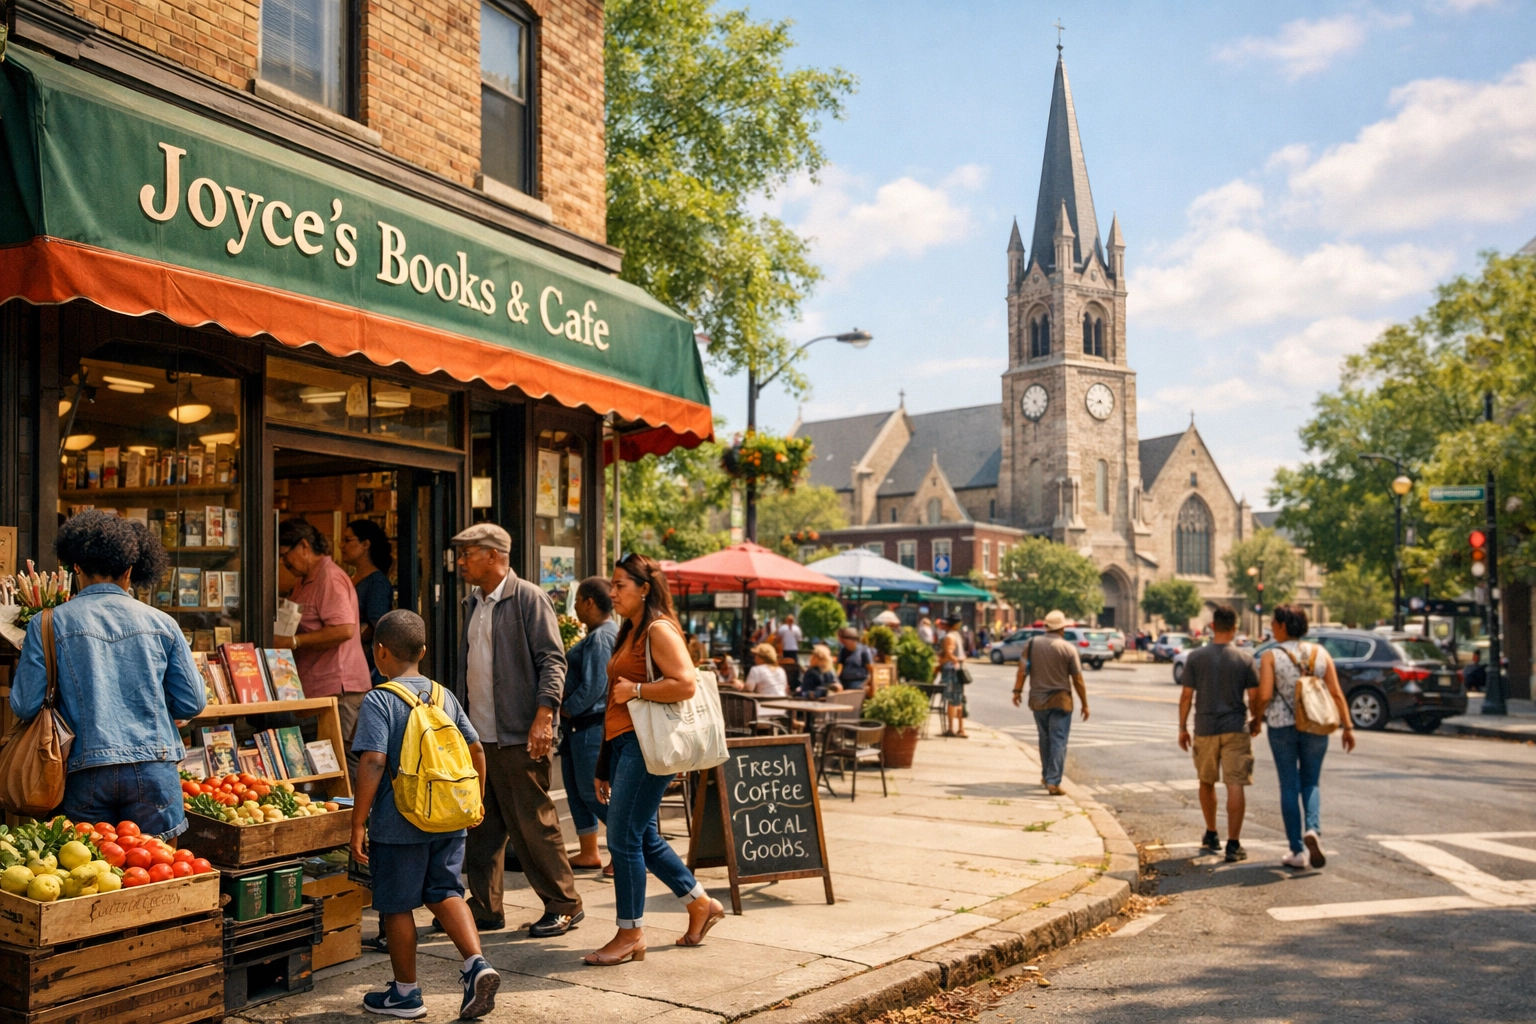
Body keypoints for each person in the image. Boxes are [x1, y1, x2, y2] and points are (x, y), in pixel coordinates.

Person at [12, 512, 204, 839]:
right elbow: (192, 702)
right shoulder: (163, 623)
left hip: (82, 771)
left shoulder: (46, 624)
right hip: (153, 767)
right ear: (130, 570)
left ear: (76, 567)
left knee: (91, 872)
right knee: (155, 873)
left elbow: (26, 705)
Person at [350, 610, 499, 1020]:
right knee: (446, 891)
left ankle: (406, 994)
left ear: (379, 652)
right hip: (450, 816)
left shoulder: (380, 699)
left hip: (400, 823)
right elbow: (477, 749)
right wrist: (476, 802)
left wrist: (358, 821)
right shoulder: (443, 694)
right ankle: (476, 964)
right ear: (423, 651)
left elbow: (374, 761)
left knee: (397, 906)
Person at [587, 553, 724, 966]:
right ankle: (700, 903)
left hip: (647, 749)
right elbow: (615, 698)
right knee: (643, 838)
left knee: (622, 839)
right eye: (611, 586)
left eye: (620, 585)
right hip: (626, 745)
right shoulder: (628, 631)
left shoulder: (659, 629)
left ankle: (630, 932)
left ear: (644, 589)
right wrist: (602, 764)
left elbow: (684, 683)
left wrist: (640, 692)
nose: (612, 593)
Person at [451, 523, 581, 938]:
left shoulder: (528, 597)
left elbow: (553, 662)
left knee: (533, 824)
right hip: (480, 736)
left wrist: (544, 717)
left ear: (493, 555)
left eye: (467, 553)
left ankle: (564, 904)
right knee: (482, 826)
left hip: (520, 734)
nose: (460, 561)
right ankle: (486, 907)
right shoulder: (473, 603)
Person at [1250, 605, 1355, 870]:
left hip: (1281, 726)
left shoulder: (1271, 656)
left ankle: (1297, 850)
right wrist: (1348, 727)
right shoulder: (1321, 653)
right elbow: (1336, 692)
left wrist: (1256, 719)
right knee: (1311, 782)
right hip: (1316, 725)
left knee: (1288, 785)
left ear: (1284, 625)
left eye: (1274, 623)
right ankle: (1313, 830)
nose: (1271, 627)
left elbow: (1263, 696)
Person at [275, 519, 373, 777]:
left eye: (286, 556)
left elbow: (344, 629)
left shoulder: (329, 578)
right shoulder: (304, 580)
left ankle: (356, 816)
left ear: (304, 546)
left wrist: (294, 642)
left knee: (343, 762)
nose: (284, 563)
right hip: (316, 687)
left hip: (339, 690)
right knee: (324, 763)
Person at [1177, 605, 1258, 863]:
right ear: (1234, 628)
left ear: (1212, 626)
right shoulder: (1245, 659)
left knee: (1206, 781)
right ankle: (1233, 844)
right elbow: (1255, 697)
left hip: (1204, 728)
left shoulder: (1196, 657)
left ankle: (1211, 833)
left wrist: (1182, 728)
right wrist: (1256, 720)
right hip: (1236, 727)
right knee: (1235, 784)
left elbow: (1187, 696)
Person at [562, 576, 617, 875]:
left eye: (578, 601)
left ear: (589, 602)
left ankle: (629, 848)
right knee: (575, 789)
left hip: (590, 724)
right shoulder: (600, 634)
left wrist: (566, 709)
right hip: (580, 727)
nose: (576, 608)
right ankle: (588, 852)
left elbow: (596, 685)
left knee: (590, 791)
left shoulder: (601, 637)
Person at [1012, 610, 1089, 795]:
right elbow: (1078, 680)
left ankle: (1047, 776)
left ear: (1046, 627)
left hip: (1038, 700)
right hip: (1061, 701)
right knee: (1058, 741)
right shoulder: (1068, 649)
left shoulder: (1031, 644)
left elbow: (1022, 670)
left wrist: (1017, 691)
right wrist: (1085, 704)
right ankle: (1053, 781)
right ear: (1063, 628)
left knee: (1044, 739)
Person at [340, 519, 394, 687]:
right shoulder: (353, 578)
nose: (341, 546)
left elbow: (378, 626)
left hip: (364, 668)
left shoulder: (376, 582)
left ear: (365, 544)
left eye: (348, 540)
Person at [936, 620, 967, 738]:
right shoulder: (957, 635)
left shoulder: (949, 636)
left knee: (951, 699)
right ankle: (961, 728)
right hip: (958, 671)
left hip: (950, 671)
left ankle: (950, 728)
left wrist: (954, 660)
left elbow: (949, 653)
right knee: (958, 700)